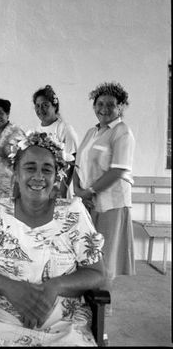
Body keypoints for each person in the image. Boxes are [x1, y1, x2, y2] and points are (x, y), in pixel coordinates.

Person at [0, 131, 106, 346]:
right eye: (30, 168)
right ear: (15, 174)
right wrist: (11, 287)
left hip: (65, 325)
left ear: (56, 177)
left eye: (47, 169)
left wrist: (55, 286)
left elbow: (96, 273)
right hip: (3, 322)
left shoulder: (73, 213)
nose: (38, 176)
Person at [73, 82, 136, 314]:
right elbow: (77, 164)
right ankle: (86, 301)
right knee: (86, 253)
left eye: (111, 104)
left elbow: (118, 170)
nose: (104, 108)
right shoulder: (92, 131)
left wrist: (89, 192)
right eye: (100, 103)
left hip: (111, 204)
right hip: (88, 202)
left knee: (105, 257)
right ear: (94, 106)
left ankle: (101, 312)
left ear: (121, 107)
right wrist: (79, 191)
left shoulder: (122, 132)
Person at [33, 85, 79, 198]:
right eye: (37, 106)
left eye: (45, 105)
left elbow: (72, 162)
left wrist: (62, 190)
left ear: (54, 106)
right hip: (40, 185)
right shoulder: (36, 130)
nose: (40, 110)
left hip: (59, 187)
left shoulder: (65, 129)